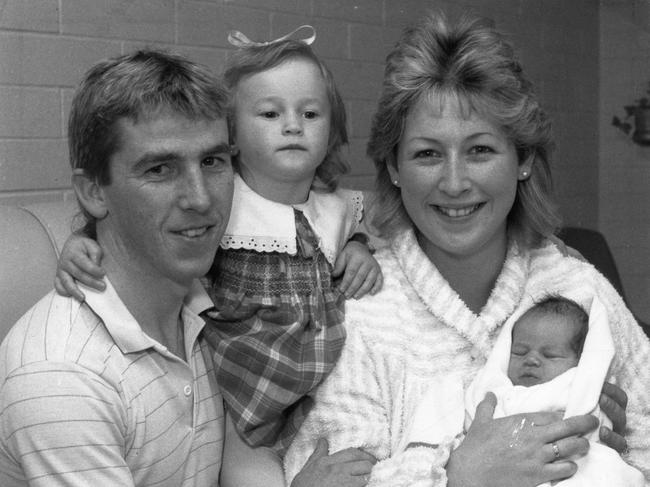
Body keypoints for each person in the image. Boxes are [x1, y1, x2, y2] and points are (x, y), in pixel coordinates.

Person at [283, 11, 650, 487]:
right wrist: (459, 474)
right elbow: (332, 478)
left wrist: (612, 456)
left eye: (479, 150)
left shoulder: (577, 287)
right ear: (393, 167)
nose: (454, 183)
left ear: (522, 160)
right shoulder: (362, 316)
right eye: (427, 154)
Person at [53, 26, 378, 479]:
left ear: (333, 130)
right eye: (269, 113)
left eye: (310, 113)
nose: (292, 126)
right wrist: (79, 244)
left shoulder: (340, 206)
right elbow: (132, 232)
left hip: (321, 382)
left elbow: (356, 239)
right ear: (233, 137)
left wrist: (361, 251)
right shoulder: (223, 201)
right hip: (239, 392)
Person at [0, 49, 242, 486]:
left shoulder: (209, 298)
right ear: (93, 191)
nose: (201, 199)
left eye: (212, 161)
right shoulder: (62, 377)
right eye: (160, 169)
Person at [407, 296, 644, 486]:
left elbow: (640, 430)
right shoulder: (489, 390)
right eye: (519, 351)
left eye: (549, 355)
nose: (531, 360)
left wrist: (619, 436)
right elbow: (440, 432)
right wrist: (453, 475)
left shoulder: (577, 383)